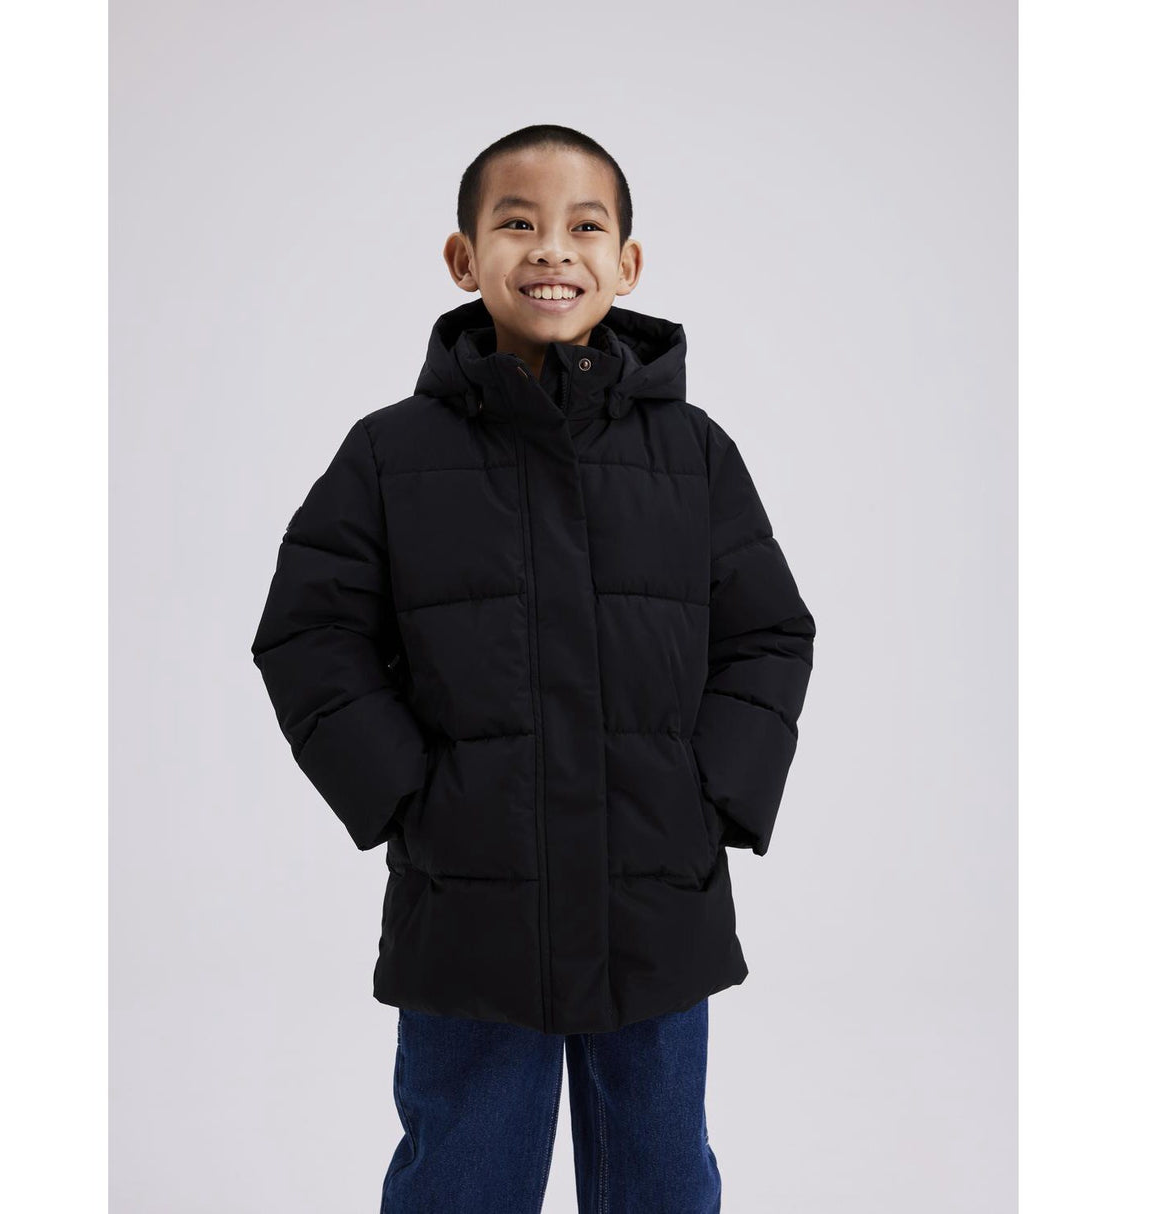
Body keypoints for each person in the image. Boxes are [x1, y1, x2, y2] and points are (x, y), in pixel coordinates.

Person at [250, 123, 816, 1213]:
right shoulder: (390, 453)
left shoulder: (693, 453)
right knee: (461, 1174)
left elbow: (768, 633)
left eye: (583, 226)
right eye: (517, 223)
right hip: (472, 895)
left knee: (660, 1176)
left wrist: (708, 794)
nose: (551, 248)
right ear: (463, 258)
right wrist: (407, 796)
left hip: (656, 891)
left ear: (626, 263)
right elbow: (307, 631)